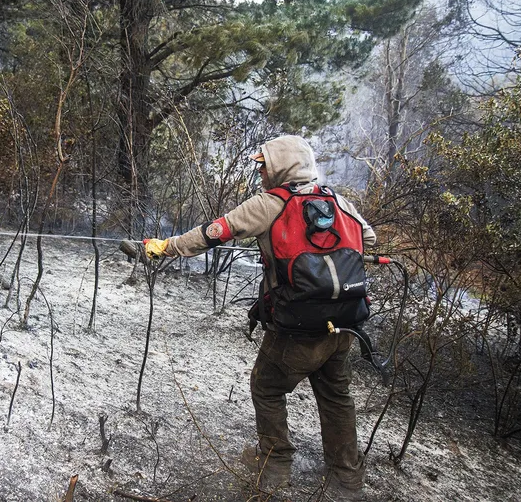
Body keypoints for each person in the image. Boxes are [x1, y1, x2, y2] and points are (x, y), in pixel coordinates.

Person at [143, 135, 376, 494]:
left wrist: (165, 247)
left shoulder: (269, 205)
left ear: (282, 165)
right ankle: (346, 479)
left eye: (264, 164)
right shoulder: (339, 201)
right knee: (336, 396)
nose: (261, 171)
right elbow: (369, 238)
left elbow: (212, 233)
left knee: (266, 387)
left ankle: (274, 465)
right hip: (345, 326)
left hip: (297, 329)